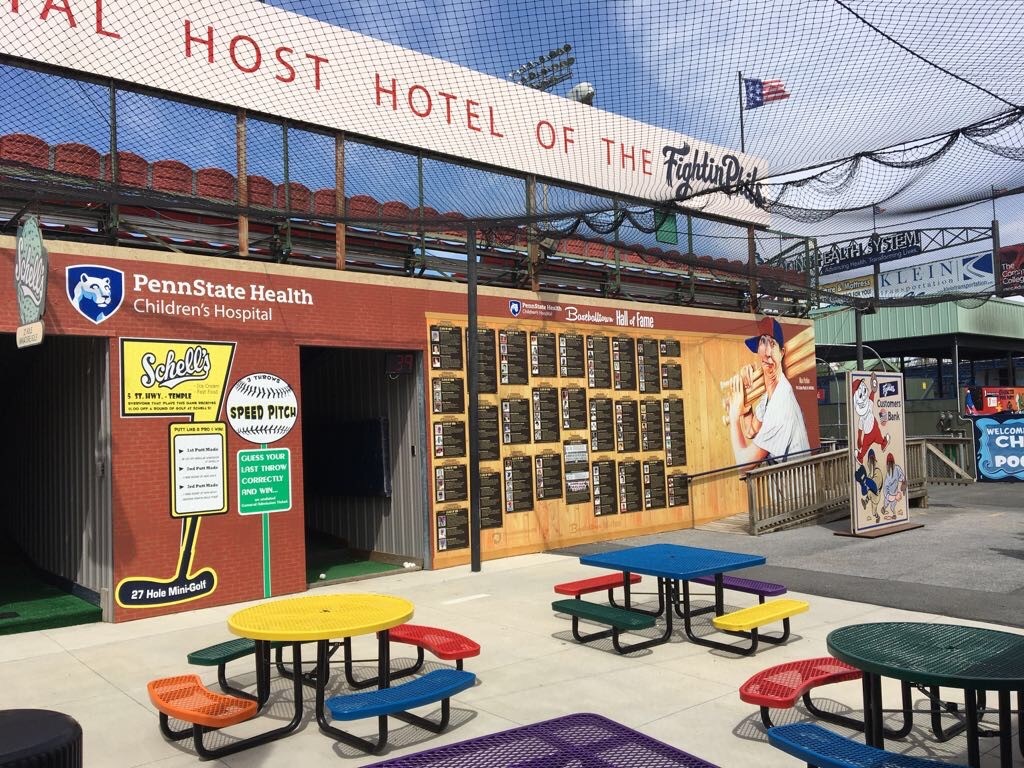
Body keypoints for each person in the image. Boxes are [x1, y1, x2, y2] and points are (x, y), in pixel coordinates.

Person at [727, 317, 810, 470]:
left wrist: (733, 417)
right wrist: (746, 402)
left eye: (772, 344)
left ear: (782, 352)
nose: (767, 353)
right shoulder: (769, 397)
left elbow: (743, 466)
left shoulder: (781, 403)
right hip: (787, 489)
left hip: (796, 491)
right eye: (762, 342)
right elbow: (751, 431)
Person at [881, 452, 907, 519]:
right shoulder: (888, 474)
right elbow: (885, 486)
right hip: (889, 492)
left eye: (891, 462)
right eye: (889, 463)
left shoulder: (897, 468)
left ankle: (894, 514)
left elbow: (902, 476)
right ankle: (884, 508)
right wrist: (887, 495)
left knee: (893, 505)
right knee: (886, 502)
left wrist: (902, 482)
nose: (890, 464)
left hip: (895, 492)